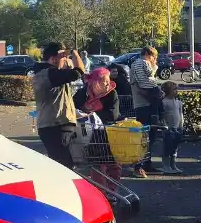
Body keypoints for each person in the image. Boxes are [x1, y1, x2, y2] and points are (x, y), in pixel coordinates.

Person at [32, 42, 85, 168]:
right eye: (64, 57)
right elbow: (79, 71)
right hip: (56, 125)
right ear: (54, 59)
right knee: (64, 165)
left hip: (52, 125)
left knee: (61, 164)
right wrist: (73, 53)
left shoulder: (47, 73)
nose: (66, 60)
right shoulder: (50, 74)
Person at [73, 66, 121, 181]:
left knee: (113, 163)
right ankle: (100, 191)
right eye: (104, 81)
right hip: (89, 134)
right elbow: (72, 108)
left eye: (108, 81)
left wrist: (91, 113)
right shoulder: (82, 93)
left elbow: (113, 115)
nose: (107, 84)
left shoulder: (112, 94)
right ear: (95, 82)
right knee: (97, 164)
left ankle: (112, 190)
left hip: (108, 132)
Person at [129, 47, 162, 175]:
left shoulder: (139, 66)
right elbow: (139, 86)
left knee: (151, 135)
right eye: (154, 57)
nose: (154, 60)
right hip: (143, 105)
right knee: (143, 136)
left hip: (145, 104)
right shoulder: (139, 65)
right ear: (148, 54)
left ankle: (147, 163)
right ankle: (138, 165)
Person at [159, 81, 184, 174]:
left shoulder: (178, 102)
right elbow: (162, 116)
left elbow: (181, 114)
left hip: (177, 128)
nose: (176, 91)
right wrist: (164, 126)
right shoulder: (164, 102)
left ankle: (173, 165)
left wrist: (181, 125)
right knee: (167, 147)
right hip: (168, 129)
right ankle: (166, 165)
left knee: (175, 147)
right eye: (174, 89)